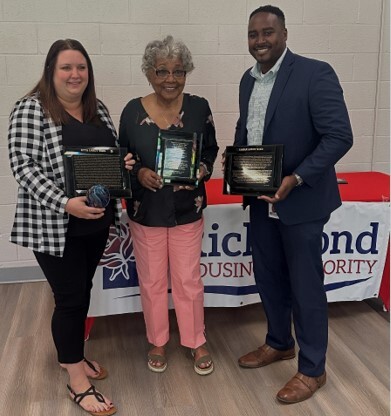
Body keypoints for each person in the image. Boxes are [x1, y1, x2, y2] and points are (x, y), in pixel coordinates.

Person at [231, 5, 353, 403]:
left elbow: (338, 136)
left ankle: (313, 368)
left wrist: (295, 178)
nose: (260, 41)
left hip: (300, 201)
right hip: (259, 201)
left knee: (305, 287)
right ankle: (279, 342)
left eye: (267, 33)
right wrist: (235, 160)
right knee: (268, 278)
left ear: (284, 34)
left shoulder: (315, 73)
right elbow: (249, 130)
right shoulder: (247, 82)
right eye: (253, 34)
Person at [8, 39, 134, 416]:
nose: (75, 74)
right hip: (53, 223)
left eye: (81, 67)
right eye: (66, 67)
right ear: (51, 71)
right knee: (70, 298)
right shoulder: (31, 109)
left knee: (81, 291)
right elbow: (23, 165)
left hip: (94, 225)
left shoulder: (100, 110)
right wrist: (66, 203)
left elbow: (109, 160)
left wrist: (121, 166)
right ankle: (78, 381)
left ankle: (72, 355)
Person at [119, 35, 219, 376]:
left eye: (178, 71)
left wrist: (202, 169)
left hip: (187, 209)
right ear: (149, 73)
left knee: (189, 279)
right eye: (162, 71)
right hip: (145, 211)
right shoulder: (132, 111)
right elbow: (122, 160)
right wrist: (140, 174)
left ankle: (194, 339)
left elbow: (210, 151)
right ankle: (158, 340)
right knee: (151, 280)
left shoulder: (200, 107)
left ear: (187, 73)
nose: (170, 79)